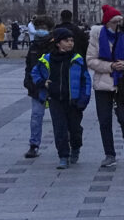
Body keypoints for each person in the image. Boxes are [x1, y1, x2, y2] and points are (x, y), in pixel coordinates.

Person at [30, 26, 93, 169]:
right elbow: (35, 73)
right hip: (55, 99)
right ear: (58, 43)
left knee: (75, 130)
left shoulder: (77, 59)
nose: (70, 43)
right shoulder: (47, 59)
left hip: (74, 100)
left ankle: (76, 147)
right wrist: (42, 82)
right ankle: (63, 156)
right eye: (66, 40)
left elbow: (86, 80)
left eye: (72, 40)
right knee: (60, 129)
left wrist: (84, 98)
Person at [87, 6, 124, 165]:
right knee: (105, 120)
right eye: (115, 22)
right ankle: (109, 154)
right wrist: (110, 67)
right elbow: (90, 60)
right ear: (107, 23)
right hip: (103, 83)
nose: (119, 24)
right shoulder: (96, 35)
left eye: (121, 21)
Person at [23, 18, 53, 159]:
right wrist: (29, 83)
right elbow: (29, 67)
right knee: (36, 116)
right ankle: (34, 145)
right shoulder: (33, 46)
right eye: (39, 27)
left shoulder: (55, 45)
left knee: (61, 117)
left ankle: (67, 145)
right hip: (37, 86)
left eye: (43, 27)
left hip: (54, 86)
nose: (41, 30)